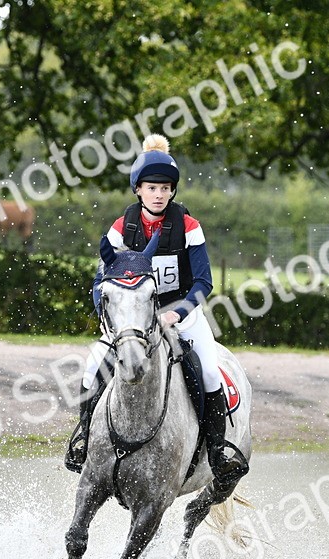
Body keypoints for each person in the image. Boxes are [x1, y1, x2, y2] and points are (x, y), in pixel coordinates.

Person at [64, 134, 244, 484]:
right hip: (132, 318)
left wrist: (176, 314)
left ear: (173, 191)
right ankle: (83, 438)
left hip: (182, 313)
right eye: (151, 187)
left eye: (165, 188)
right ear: (138, 190)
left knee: (207, 370)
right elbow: (99, 284)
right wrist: (111, 319)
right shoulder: (122, 228)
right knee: (91, 369)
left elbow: (204, 282)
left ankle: (218, 449)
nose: (159, 194)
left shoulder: (188, 227)